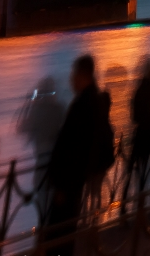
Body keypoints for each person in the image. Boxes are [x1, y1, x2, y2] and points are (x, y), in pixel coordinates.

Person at [44, 55, 114, 256]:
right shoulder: (93, 101)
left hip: (68, 184)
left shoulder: (84, 104)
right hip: (75, 180)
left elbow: (76, 148)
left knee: (60, 232)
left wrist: (62, 185)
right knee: (65, 232)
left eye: (73, 75)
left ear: (82, 75)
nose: (71, 80)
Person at [17, 76, 65, 184]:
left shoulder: (38, 111)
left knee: (41, 186)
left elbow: (21, 128)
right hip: (57, 156)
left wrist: (30, 104)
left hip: (43, 154)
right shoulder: (59, 108)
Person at [130, 57, 150, 190]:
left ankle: (136, 201)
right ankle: (142, 199)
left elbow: (134, 116)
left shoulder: (138, 91)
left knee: (138, 169)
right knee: (146, 168)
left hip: (140, 131)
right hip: (148, 130)